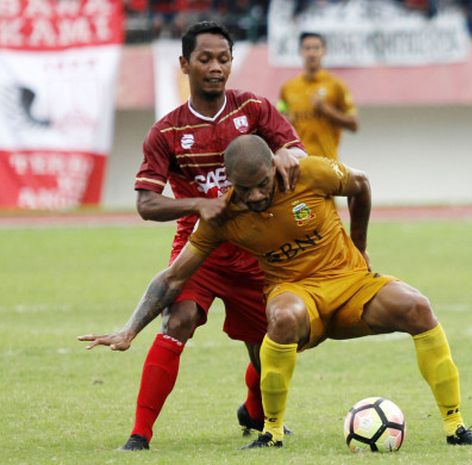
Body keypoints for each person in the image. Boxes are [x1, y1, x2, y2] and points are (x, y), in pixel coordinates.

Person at [79, 134, 472, 449]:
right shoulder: (224, 215)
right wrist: (130, 329)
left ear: (273, 167)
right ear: (231, 183)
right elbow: (172, 277)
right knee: (281, 316)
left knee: (417, 305)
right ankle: (271, 433)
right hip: (296, 294)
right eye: (245, 189)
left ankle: (455, 426)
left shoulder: (307, 173)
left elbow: (361, 184)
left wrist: (361, 245)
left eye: (261, 184)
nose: (255, 196)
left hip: (351, 285)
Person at [78, 21, 305, 451]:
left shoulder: (254, 109)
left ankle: (256, 413)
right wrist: (198, 204)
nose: (216, 67)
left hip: (253, 245)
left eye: (224, 58)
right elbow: (147, 203)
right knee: (178, 320)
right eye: (205, 59)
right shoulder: (166, 132)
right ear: (185, 64)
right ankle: (139, 435)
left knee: (265, 342)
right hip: (200, 246)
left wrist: (284, 152)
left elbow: (297, 151)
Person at [277, 31, 358, 160]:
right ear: (300, 51)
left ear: (324, 51)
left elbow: (354, 124)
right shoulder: (288, 88)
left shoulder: (336, 85)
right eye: (307, 48)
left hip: (328, 162)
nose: (311, 53)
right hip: (300, 163)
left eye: (316, 48)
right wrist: (285, 120)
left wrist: (326, 110)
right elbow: (279, 120)